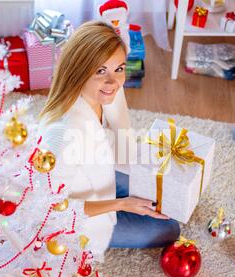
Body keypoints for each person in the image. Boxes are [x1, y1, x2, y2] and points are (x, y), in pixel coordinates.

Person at [39, 21, 180, 261]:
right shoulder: (65, 134)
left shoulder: (100, 97)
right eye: (100, 71)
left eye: (119, 68)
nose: (113, 83)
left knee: (166, 193)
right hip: (78, 218)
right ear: (78, 71)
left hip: (99, 179)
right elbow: (55, 209)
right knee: (170, 228)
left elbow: (120, 139)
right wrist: (123, 204)